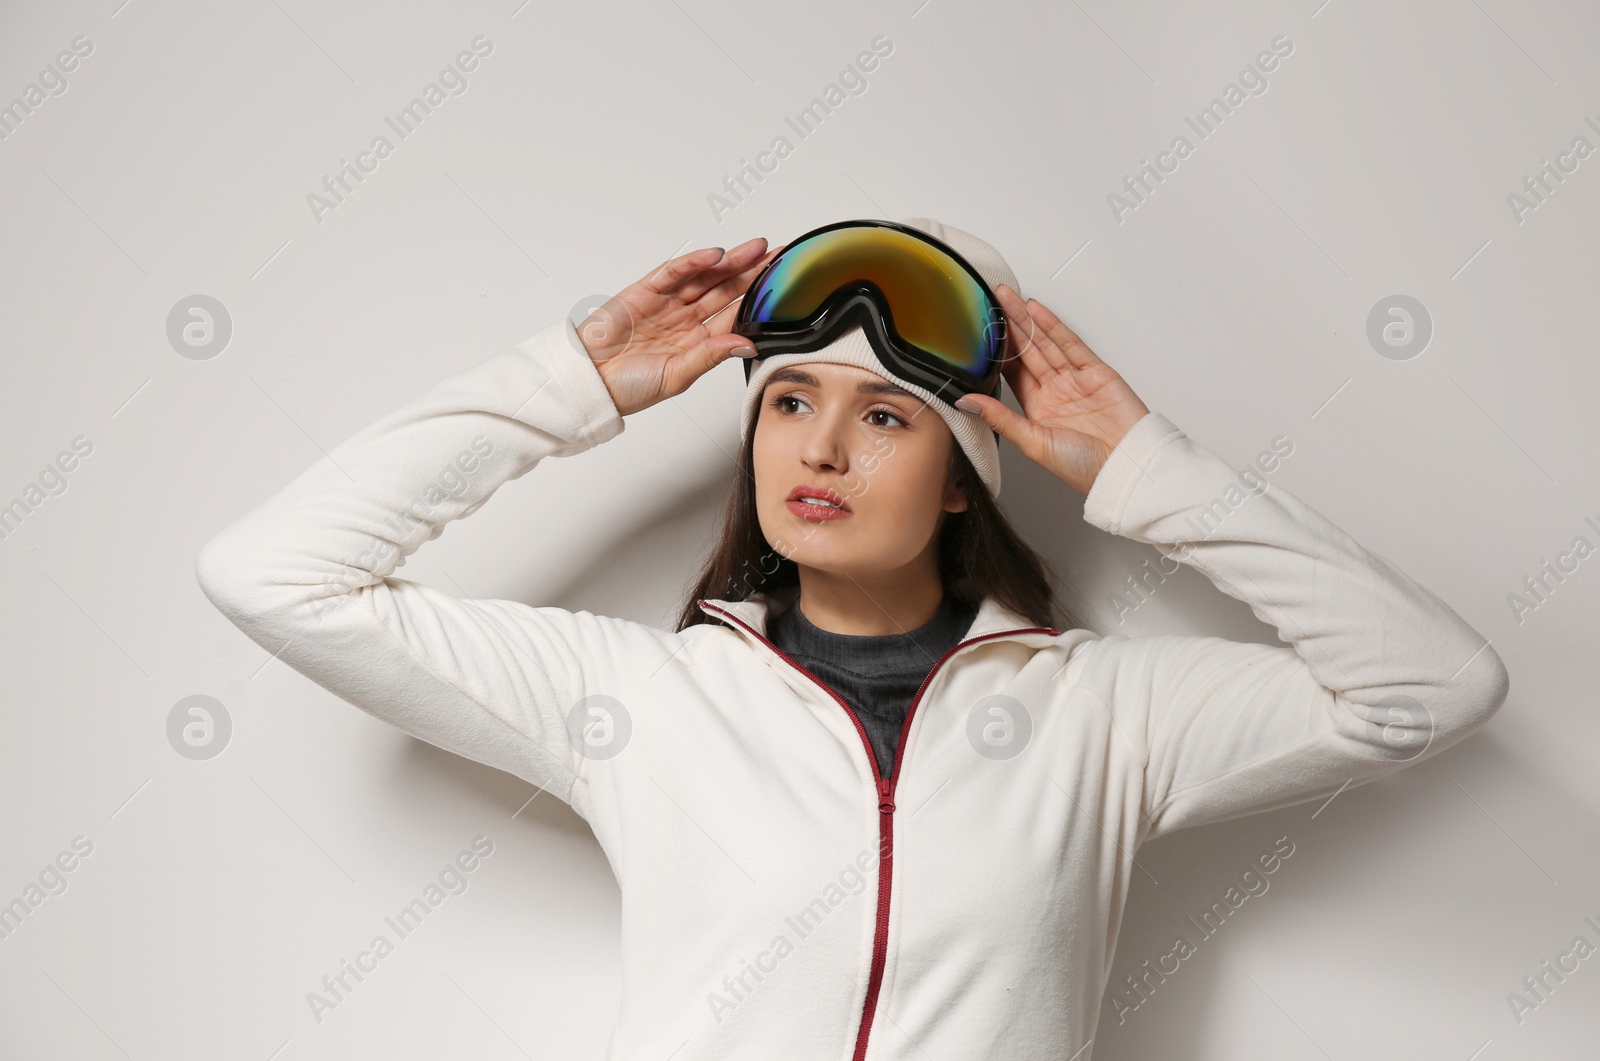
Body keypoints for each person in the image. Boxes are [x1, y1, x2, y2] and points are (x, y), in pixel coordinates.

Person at [196, 217, 1509, 1060]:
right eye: (790, 402)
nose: (819, 444)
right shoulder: (638, 697)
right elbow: (272, 576)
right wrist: (571, 384)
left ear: (963, 476)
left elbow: (1434, 680)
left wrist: (1147, 469)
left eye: (885, 414)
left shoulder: (1102, 718)